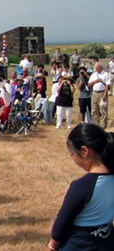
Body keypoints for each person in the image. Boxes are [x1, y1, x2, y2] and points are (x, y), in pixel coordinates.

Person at [49, 123, 114, 251]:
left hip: (79, 244)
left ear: (84, 151)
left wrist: (53, 243)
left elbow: (63, 220)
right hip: (107, 242)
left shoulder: (82, 186)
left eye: (72, 154)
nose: (73, 158)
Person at [88, 62, 110, 128]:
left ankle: (103, 126)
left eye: (97, 67)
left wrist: (104, 95)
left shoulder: (106, 74)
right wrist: (96, 81)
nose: (96, 69)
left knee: (103, 110)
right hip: (94, 93)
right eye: (96, 68)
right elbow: (89, 84)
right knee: (94, 110)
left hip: (102, 93)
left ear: (100, 67)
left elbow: (107, 85)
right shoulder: (93, 75)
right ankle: (96, 125)